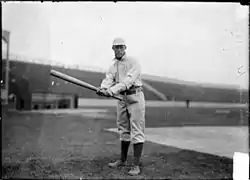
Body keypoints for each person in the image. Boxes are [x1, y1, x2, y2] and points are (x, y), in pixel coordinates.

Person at [96, 37, 146, 176]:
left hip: (135, 97)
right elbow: (108, 79)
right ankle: (122, 160)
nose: (118, 49)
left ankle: (136, 165)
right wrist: (102, 89)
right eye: (116, 47)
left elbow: (127, 81)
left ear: (125, 48)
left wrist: (111, 91)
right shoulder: (113, 65)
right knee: (123, 129)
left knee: (137, 131)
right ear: (113, 49)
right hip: (121, 98)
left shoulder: (133, 62)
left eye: (121, 47)